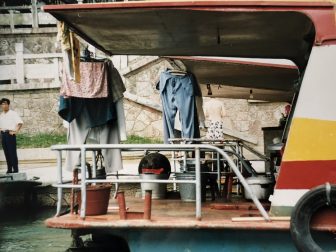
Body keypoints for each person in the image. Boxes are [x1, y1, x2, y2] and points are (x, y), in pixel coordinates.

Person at [0, 98, 23, 173]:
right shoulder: (1, 115)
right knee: (6, 153)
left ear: (8, 105)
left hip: (10, 135)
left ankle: (15, 170)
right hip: (3, 135)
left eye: (6, 104)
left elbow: (20, 123)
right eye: (2, 104)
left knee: (12, 152)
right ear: (1, 105)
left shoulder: (13, 113)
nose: (4, 105)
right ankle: (9, 169)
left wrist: (15, 131)